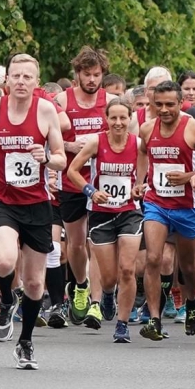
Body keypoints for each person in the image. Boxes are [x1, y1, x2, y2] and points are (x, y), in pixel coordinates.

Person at [0, 54, 68, 370]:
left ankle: (25, 342)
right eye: (16, 76)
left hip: (37, 206)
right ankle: (7, 301)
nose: (22, 82)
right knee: (5, 260)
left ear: (37, 82)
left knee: (35, 283)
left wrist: (46, 158)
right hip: (3, 203)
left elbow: (62, 158)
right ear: (6, 80)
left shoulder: (46, 111)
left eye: (28, 77)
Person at [136, 81, 195, 341]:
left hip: (187, 206)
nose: (164, 109)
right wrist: (140, 180)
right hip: (156, 203)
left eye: (170, 104)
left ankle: (191, 303)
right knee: (153, 259)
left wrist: (191, 175)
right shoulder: (147, 129)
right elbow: (143, 153)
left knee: (189, 266)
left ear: (181, 103)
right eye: (159, 104)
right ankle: (154, 319)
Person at [65, 100, 144, 343]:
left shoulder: (138, 144)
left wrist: (140, 187)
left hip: (130, 212)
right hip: (101, 213)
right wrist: (91, 191)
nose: (118, 123)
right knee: (109, 277)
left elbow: (147, 174)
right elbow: (72, 171)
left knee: (128, 269)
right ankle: (107, 293)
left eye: (123, 118)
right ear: (106, 119)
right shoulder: (96, 142)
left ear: (130, 118)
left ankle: (122, 323)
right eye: (114, 118)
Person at [54, 46, 117, 328]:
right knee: (76, 244)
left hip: (103, 182)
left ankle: (94, 302)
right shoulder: (61, 100)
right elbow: (47, 137)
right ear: (76, 74)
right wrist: (69, 145)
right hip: (71, 180)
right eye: (87, 74)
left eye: (96, 75)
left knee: (97, 242)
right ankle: (79, 285)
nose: (92, 80)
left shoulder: (112, 101)